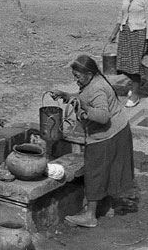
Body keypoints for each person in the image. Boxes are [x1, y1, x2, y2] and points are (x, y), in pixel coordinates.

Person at [50, 54, 135, 228]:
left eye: (77, 76)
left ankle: (90, 215)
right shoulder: (93, 82)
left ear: (88, 73)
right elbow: (82, 97)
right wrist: (65, 95)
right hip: (119, 130)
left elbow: (103, 116)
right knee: (109, 169)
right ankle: (107, 206)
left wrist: (85, 111)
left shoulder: (97, 89)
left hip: (107, 135)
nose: (76, 80)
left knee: (95, 172)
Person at [108, 0, 148, 107]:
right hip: (125, 33)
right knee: (123, 65)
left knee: (135, 66)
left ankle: (135, 94)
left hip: (139, 34)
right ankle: (137, 84)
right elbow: (120, 16)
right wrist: (114, 33)